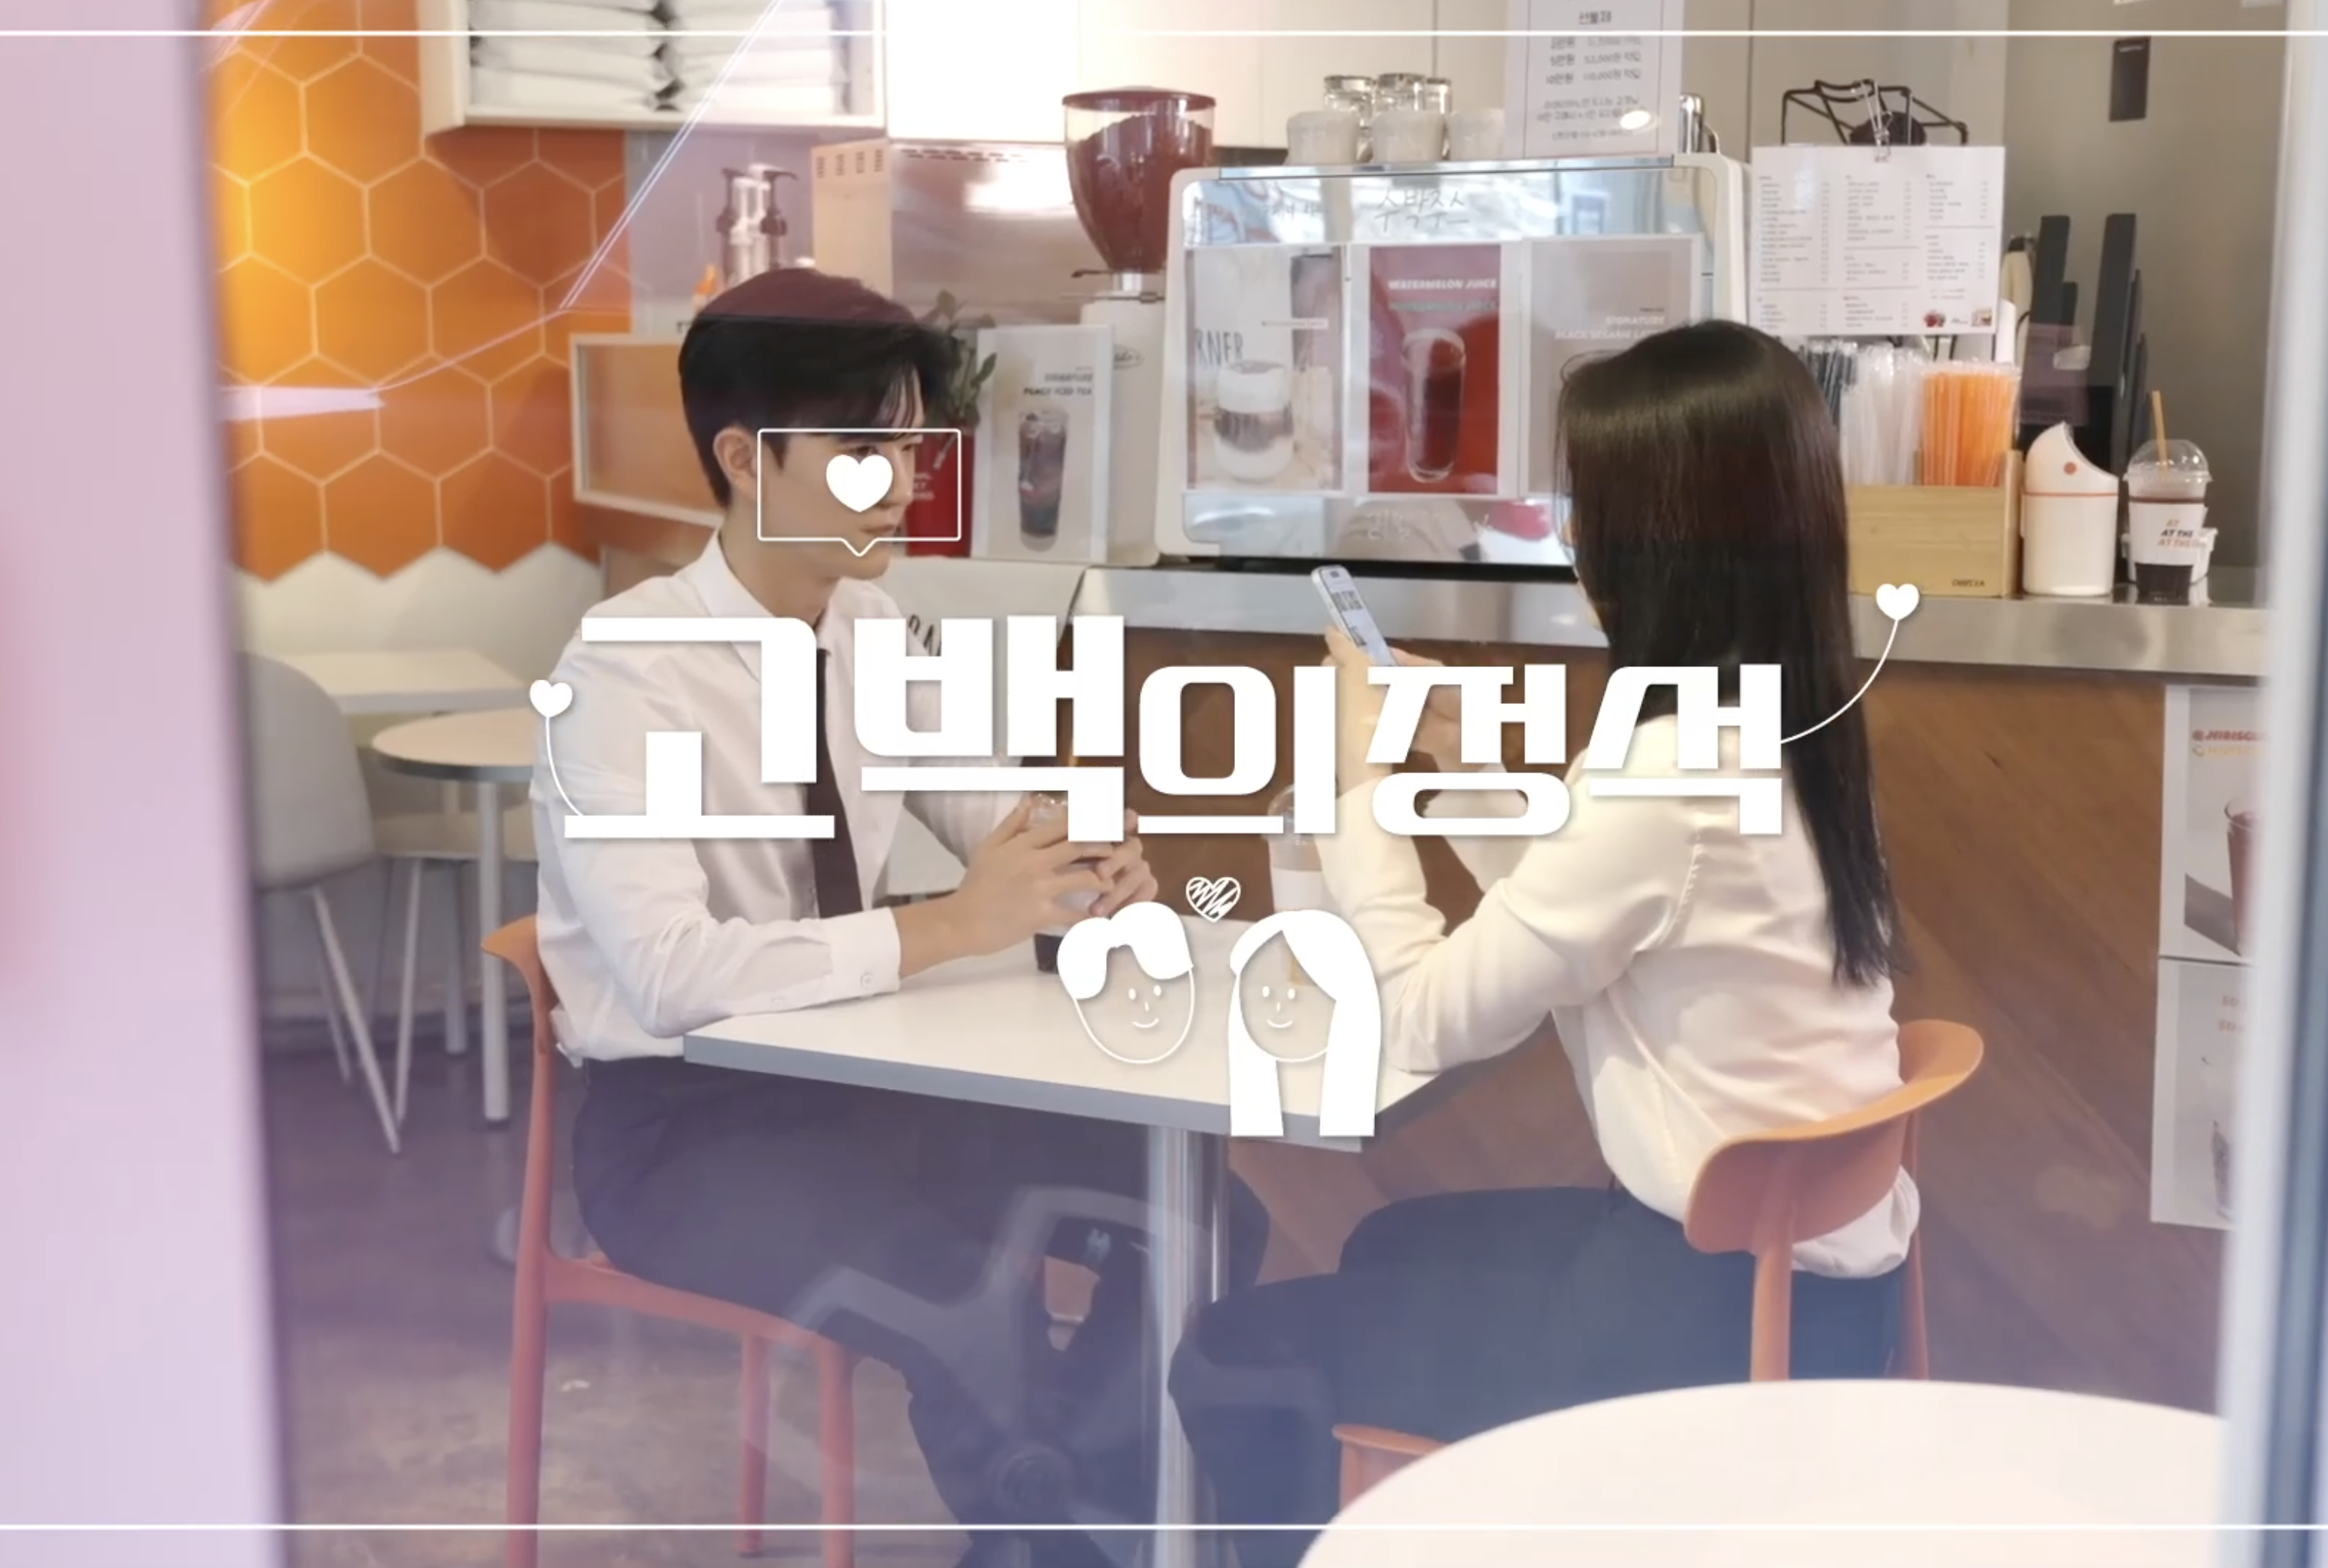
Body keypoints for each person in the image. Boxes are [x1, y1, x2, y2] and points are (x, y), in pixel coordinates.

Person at [531, 267, 1264, 1568]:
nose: (907, 482)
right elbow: (666, 974)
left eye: (914, 446)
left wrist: (1073, 855)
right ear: (744, 459)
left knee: (1205, 1226)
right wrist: (953, 926)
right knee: (969, 1302)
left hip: (869, 1089)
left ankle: (1063, 1532)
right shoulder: (622, 674)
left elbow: (980, 798)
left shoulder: (869, 625)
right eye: (865, 451)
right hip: (688, 1133)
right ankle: (1077, 1540)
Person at [1167, 321, 1913, 1568]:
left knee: (1242, 1359)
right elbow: (1587, 909)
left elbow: (1422, 1016)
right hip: (1815, 1293)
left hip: (1703, 1331)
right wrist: (1458, 759)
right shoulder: (1787, 726)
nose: (1576, 541)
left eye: (1589, 510)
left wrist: (1355, 787)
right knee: (1386, 1247)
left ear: (1655, 544)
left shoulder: (1671, 776)